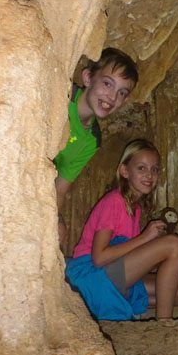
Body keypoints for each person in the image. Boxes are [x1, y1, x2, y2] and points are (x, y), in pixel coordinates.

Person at [65, 138, 178, 321]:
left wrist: (153, 251)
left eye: (154, 169)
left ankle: (122, 304)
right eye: (141, 168)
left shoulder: (135, 207)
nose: (149, 175)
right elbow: (99, 258)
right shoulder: (114, 202)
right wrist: (145, 238)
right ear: (124, 171)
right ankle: (165, 327)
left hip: (112, 273)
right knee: (174, 244)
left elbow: (128, 254)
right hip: (92, 275)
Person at [54, 47, 138, 250]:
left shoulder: (92, 140)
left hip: (35, 191)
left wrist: (55, 219)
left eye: (121, 93)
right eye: (107, 84)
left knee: (56, 232)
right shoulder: (59, 97)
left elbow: (61, 187)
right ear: (88, 78)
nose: (112, 97)